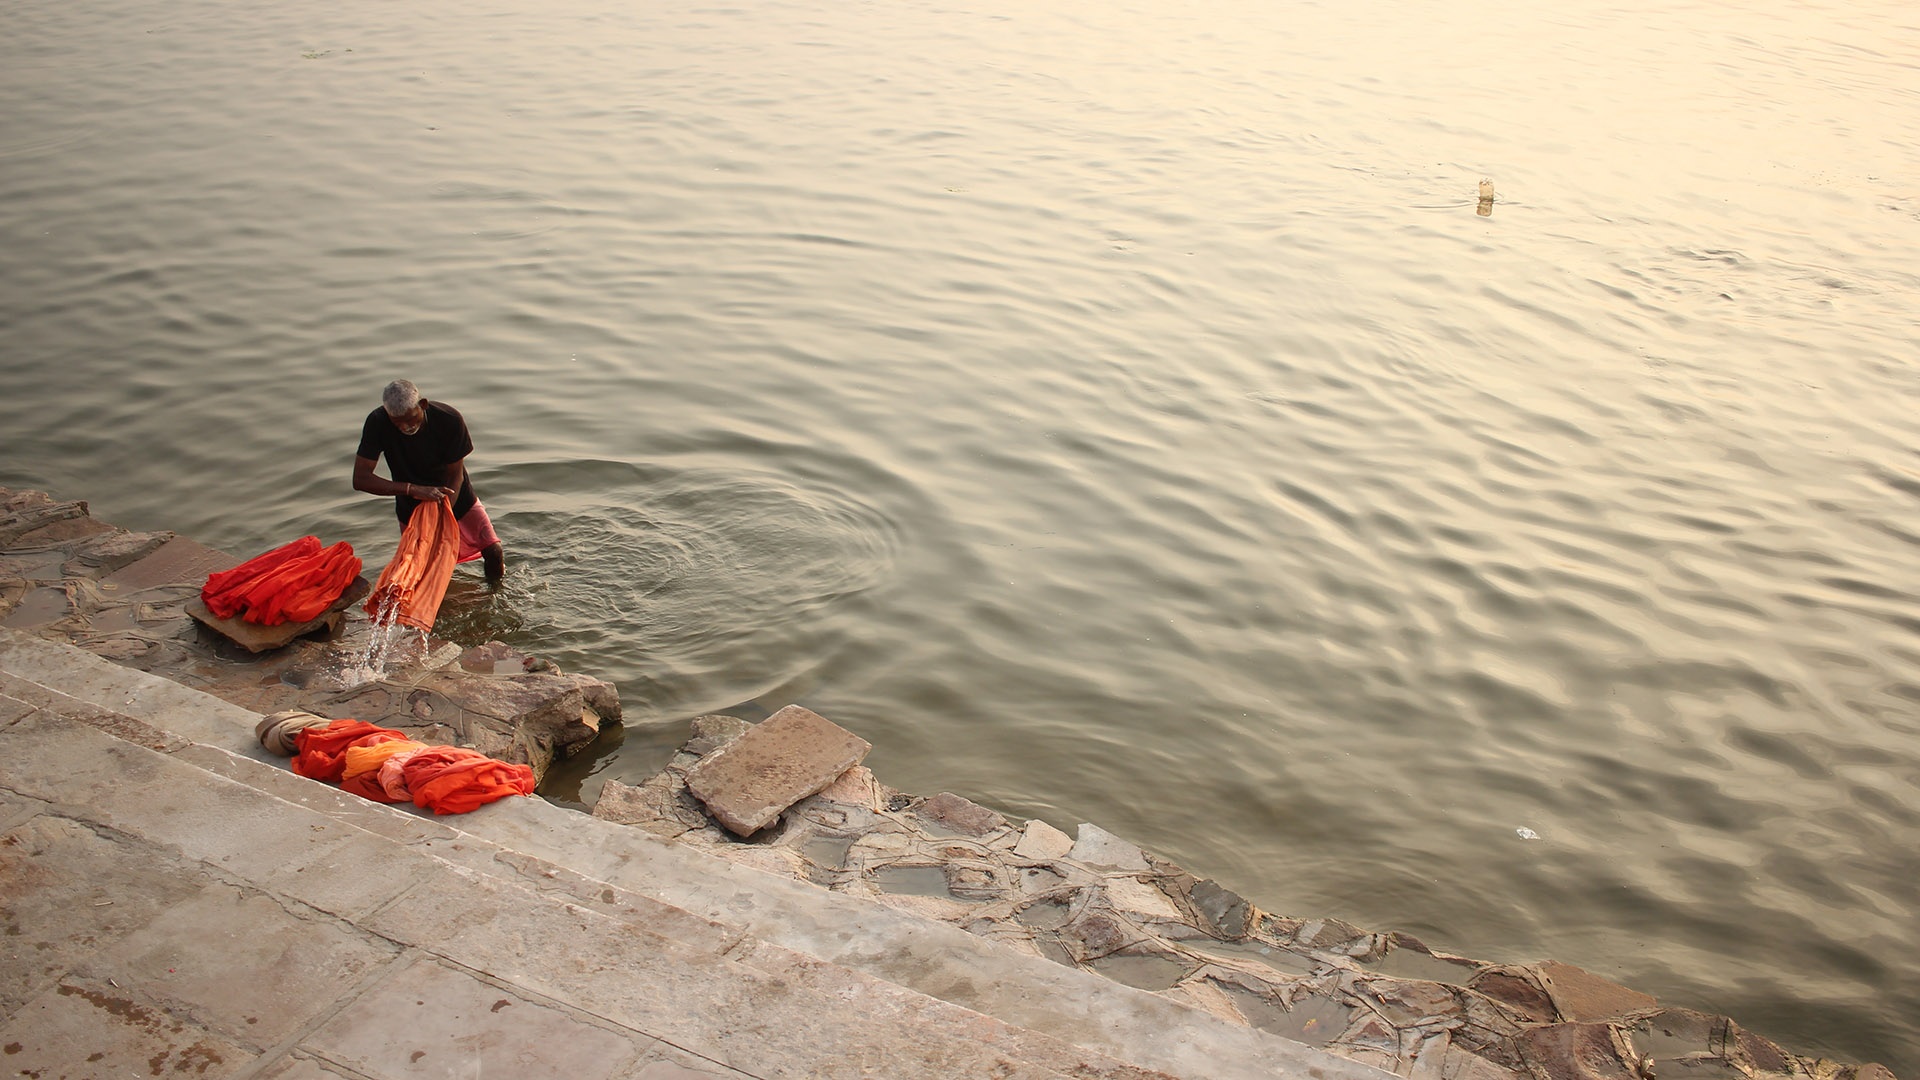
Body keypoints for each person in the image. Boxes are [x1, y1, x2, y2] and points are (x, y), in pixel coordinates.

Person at [352, 379, 506, 584]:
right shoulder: (378, 423)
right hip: (412, 507)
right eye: (397, 423)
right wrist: (412, 489)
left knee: (493, 551)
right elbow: (361, 479)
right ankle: (431, 610)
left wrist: (443, 516)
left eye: (411, 419)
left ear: (422, 404)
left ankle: (494, 595)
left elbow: (456, 475)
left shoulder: (449, 420)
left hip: (455, 495)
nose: (405, 427)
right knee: (421, 569)